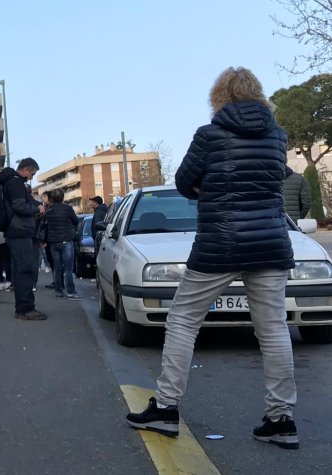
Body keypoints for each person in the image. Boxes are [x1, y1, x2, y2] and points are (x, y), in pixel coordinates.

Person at [125, 67, 299, 449]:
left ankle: (167, 409)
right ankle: (281, 419)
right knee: (273, 330)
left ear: (219, 97)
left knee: (183, 320)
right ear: (258, 94)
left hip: (220, 242)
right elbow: (277, 176)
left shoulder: (209, 135)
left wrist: (213, 185)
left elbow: (186, 181)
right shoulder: (277, 136)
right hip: (271, 243)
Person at [0, 157, 46, 320]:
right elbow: (19, 206)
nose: (31, 177)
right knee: (25, 270)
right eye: (32, 174)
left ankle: (23, 308)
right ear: (26, 169)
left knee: (20, 270)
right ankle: (25, 309)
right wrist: (35, 208)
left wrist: (35, 205)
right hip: (19, 230)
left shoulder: (11, 182)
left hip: (15, 231)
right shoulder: (15, 183)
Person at [42, 189, 81, 300]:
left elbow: (45, 225)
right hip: (66, 240)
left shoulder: (49, 210)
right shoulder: (68, 209)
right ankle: (70, 291)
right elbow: (76, 221)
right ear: (63, 197)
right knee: (68, 268)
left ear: (52, 198)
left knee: (57, 267)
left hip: (53, 242)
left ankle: (58, 290)